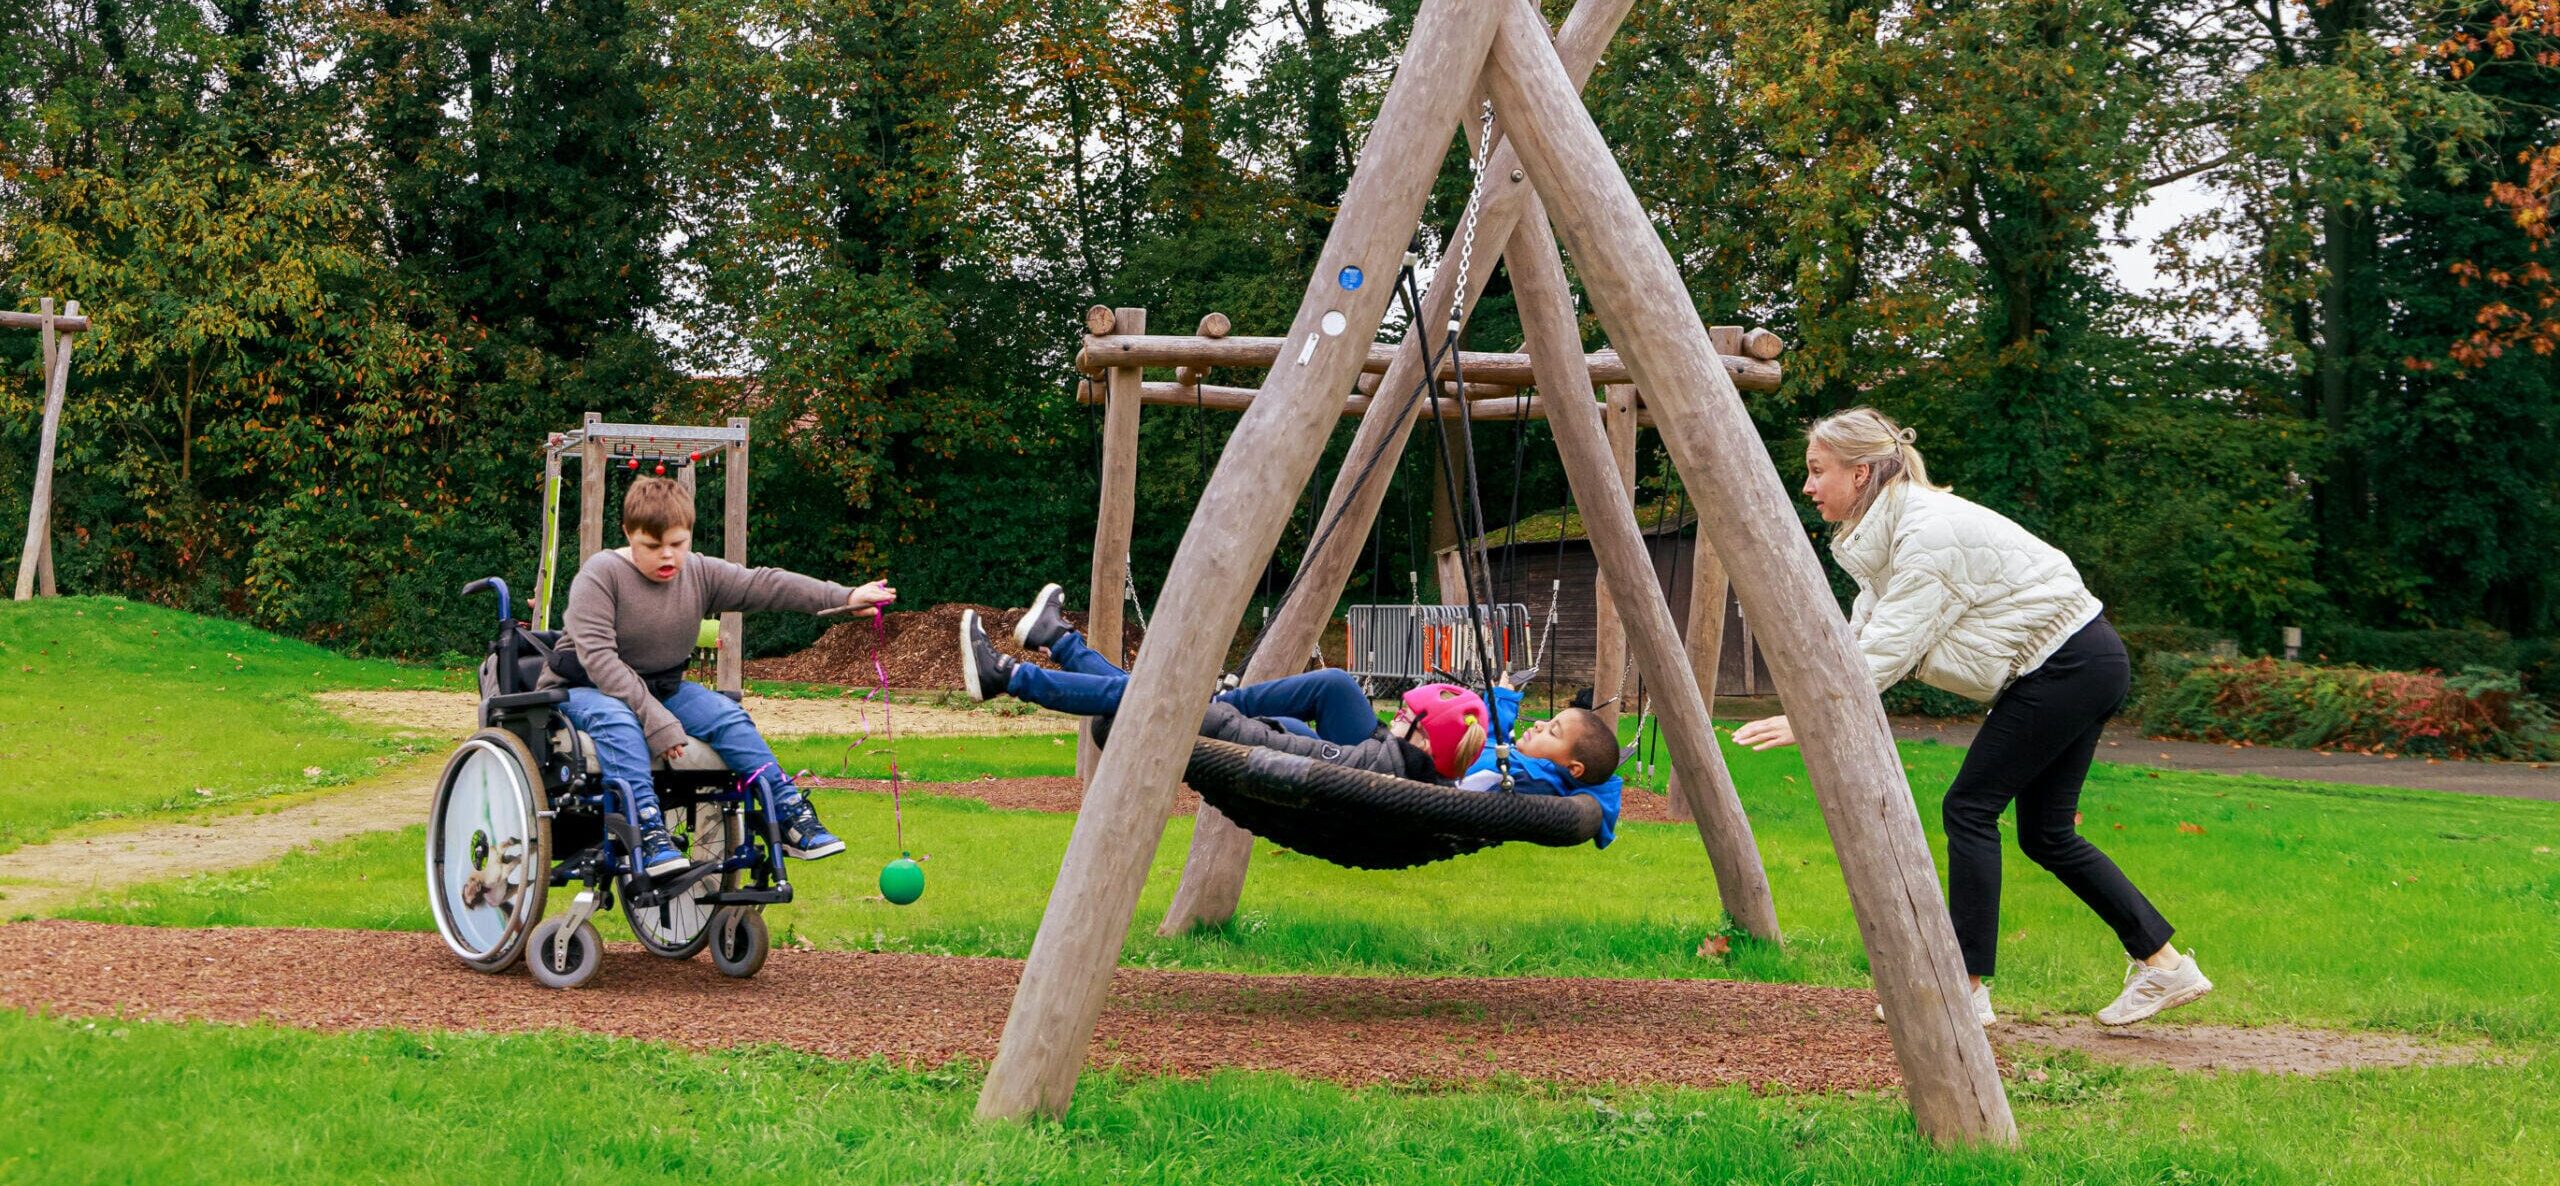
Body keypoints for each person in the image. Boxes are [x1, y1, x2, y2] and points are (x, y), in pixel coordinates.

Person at [1732, 407, 2210, 1027]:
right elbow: (1864, 633)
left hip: (2068, 664)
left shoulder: (1927, 532)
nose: (1808, 486)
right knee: (2046, 834)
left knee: (1969, 809)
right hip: (2078, 661)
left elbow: (1890, 647)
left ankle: (1964, 987)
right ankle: (2165, 967)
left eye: (1818, 471)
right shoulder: (1886, 536)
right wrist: (1816, 704)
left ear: (1861, 473)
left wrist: (1809, 718)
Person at [540, 477, 895, 878]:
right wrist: (656, 720)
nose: (668, 556)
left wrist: (845, 597)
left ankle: (788, 812)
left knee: (728, 716)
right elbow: (600, 661)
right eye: (652, 546)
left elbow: (767, 584)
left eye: (678, 543)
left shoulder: (698, 573)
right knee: (619, 721)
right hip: (583, 688)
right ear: (628, 533)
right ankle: (647, 830)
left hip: (662, 686)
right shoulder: (600, 574)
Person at [960, 584, 1475, 779]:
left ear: (1428, 740)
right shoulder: (1398, 757)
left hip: (1260, 746)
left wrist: (1216, 712)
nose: (1396, 714)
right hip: (1292, 740)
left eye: (1408, 716)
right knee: (1337, 684)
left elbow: (1295, 755)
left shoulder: (1375, 769)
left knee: (1159, 700)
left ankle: (1008, 676)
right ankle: (1058, 641)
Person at [1454, 681, 1628, 848]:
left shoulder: (1535, 781)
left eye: (1552, 731)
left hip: (1437, 785)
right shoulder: (1526, 764)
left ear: (1574, 768)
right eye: (1549, 721)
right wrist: (1501, 705)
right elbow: (1491, 744)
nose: (1538, 724)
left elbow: (1474, 809)